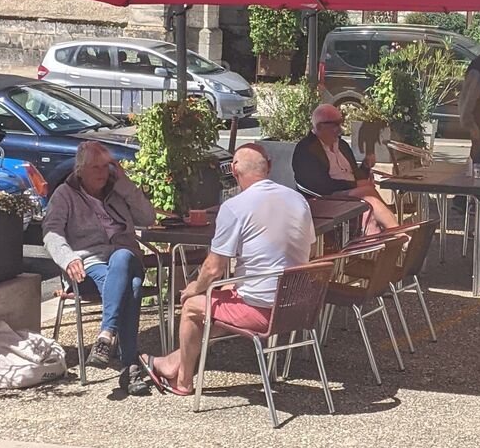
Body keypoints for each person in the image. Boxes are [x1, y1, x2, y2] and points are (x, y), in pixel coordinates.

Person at [143, 143, 315, 397]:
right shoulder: (298, 199)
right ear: (268, 167)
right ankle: (174, 360)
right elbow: (309, 247)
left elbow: (213, 268)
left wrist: (194, 288)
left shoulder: (236, 207)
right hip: (299, 303)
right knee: (224, 291)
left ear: (234, 171)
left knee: (192, 306)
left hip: (265, 310)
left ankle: (182, 380)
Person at [43, 139, 158, 397]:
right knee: (133, 288)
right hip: (88, 266)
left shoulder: (117, 191)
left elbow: (148, 218)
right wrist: (68, 258)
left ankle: (106, 335)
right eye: (95, 167)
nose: (102, 173)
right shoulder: (65, 195)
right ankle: (130, 367)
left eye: (106, 167)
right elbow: (51, 233)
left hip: (127, 259)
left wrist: (124, 183)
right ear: (80, 170)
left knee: (122, 257)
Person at [292, 101, 399, 235]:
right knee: (369, 196)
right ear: (319, 126)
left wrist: (365, 166)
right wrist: (353, 185)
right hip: (325, 198)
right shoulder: (306, 149)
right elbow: (317, 185)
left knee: (369, 207)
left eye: (341, 123)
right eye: (335, 124)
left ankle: (391, 238)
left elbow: (355, 174)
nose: (340, 129)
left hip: (350, 193)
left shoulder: (342, 145)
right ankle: (398, 234)